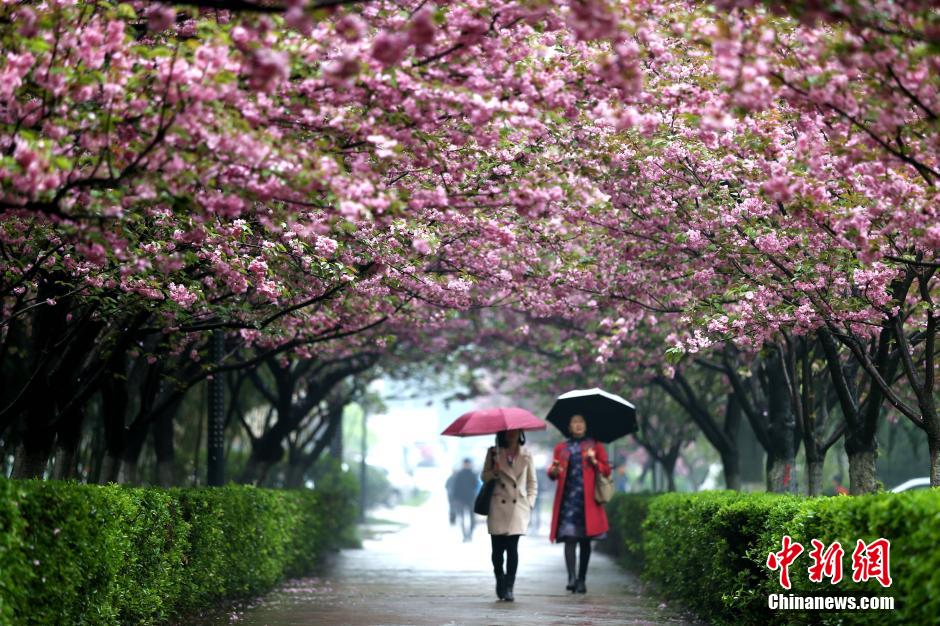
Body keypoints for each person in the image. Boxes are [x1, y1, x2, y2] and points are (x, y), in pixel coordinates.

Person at [548, 414, 611, 594]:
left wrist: (594, 461)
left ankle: (582, 579)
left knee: (585, 541)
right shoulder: (561, 448)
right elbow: (553, 472)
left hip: (588, 502)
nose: (578, 425)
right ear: (569, 426)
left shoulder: (595, 446)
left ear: (586, 425)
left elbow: (606, 471)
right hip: (568, 501)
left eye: (581, 422)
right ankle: (571, 577)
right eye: (574, 422)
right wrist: (553, 470)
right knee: (570, 538)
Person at [481, 429, 537, 602]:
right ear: (502, 433)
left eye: (515, 431)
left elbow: (531, 482)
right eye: (508, 431)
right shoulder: (493, 452)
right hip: (498, 505)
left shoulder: (527, 455)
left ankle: (509, 587)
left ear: (520, 432)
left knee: (512, 548)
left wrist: (530, 502)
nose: (511, 434)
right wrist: (495, 472)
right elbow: (484, 477)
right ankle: (499, 577)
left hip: (518, 507)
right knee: (497, 550)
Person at [451, 458, 479, 542]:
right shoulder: (460, 474)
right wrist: (454, 499)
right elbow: (455, 487)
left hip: (470, 499)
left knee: (472, 518)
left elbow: (476, 486)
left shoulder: (472, 474)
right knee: (462, 518)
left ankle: (469, 534)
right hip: (462, 499)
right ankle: (465, 535)